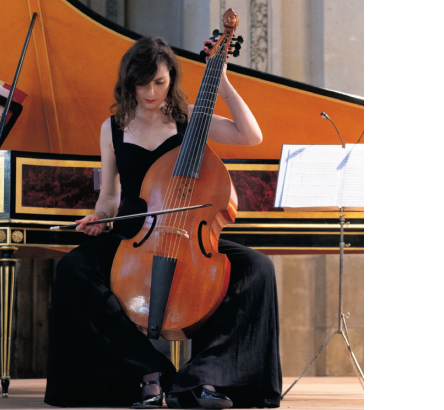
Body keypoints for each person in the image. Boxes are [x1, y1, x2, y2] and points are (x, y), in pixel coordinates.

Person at [44, 36, 282, 409]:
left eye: (159, 82)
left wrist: (222, 83)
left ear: (171, 78)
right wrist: (100, 217)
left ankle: (204, 377)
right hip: (135, 233)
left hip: (189, 235)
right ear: (129, 83)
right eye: (142, 83)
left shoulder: (191, 118)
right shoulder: (114, 127)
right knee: (73, 270)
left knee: (258, 269)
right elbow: (109, 196)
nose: (150, 92)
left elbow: (251, 136)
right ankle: (148, 371)